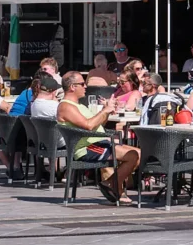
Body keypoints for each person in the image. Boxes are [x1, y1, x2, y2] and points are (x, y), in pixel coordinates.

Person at [57, 72, 139, 206]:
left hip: (99, 142)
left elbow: (98, 125)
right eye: (83, 84)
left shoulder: (79, 105)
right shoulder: (66, 106)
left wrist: (109, 110)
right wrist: (105, 111)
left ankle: (112, 183)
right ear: (72, 87)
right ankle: (114, 185)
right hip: (86, 148)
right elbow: (89, 126)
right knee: (133, 155)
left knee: (139, 154)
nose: (86, 87)